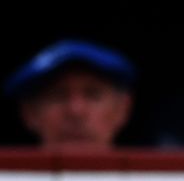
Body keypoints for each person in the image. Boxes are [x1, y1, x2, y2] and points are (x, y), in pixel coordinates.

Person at [7, 40, 135, 149]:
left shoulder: (153, 178)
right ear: (30, 112)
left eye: (93, 95)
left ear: (122, 109)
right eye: (58, 95)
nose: (75, 111)